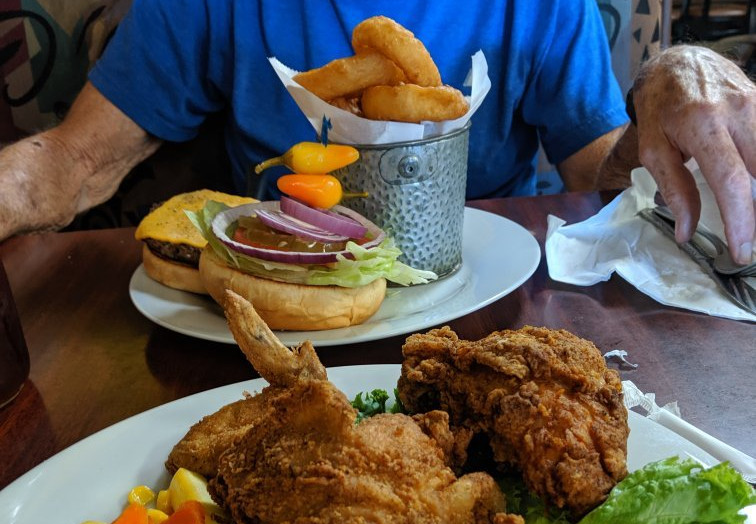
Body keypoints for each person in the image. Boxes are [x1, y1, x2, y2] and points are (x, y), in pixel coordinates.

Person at [0, 0, 753, 263]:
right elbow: (71, 161)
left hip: (487, 297)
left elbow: (605, 180)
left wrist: (666, 82)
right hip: (278, 296)